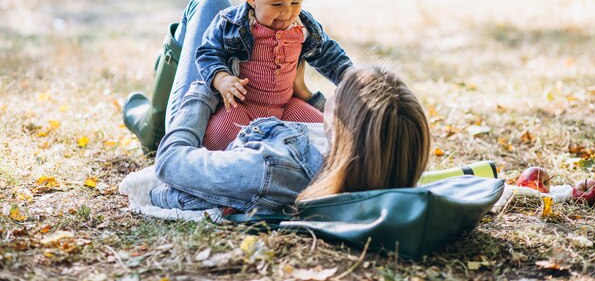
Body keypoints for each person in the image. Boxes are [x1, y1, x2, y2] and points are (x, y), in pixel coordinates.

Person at [149, 65, 431, 213]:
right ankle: (144, 117)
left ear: (340, 123)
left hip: (202, 118)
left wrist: (205, 87)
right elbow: (354, 129)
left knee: (209, 1)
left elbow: (170, 162)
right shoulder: (381, 159)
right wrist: (307, 95)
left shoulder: (269, 169)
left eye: (339, 92)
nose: (331, 94)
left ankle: (151, 122)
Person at [195, 0, 353, 151]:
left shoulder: (303, 26)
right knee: (215, 140)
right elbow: (208, 52)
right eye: (277, 4)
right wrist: (222, 79)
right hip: (244, 106)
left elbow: (329, 54)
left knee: (331, 138)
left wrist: (353, 78)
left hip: (286, 106)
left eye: (295, 2)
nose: (287, 11)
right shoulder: (232, 23)